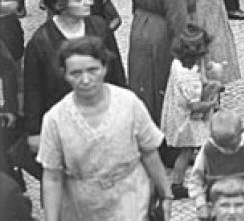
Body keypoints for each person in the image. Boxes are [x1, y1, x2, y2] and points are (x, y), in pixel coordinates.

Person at [37, 36, 174, 220]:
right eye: (76, 73)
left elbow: (149, 152)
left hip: (131, 199)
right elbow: (52, 176)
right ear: (65, 75)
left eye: (92, 70)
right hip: (82, 207)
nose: (86, 80)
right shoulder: (55, 119)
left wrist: (166, 193)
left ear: (104, 68)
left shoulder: (129, 103)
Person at [24, 0, 126, 157]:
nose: (88, 2)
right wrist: (34, 131)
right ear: (60, 6)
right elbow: (33, 88)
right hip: (66, 123)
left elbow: (116, 70)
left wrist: (123, 107)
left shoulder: (100, 27)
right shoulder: (41, 41)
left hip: (103, 114)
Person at [129, 0, 196, 125]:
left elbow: (134, 3)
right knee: (163, 83)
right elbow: (178, 23)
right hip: (162, 36)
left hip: (140, 29)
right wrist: (189, 58)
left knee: (143, 81)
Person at [161, 24, 224, 201]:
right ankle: (179, 184)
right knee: (188, 152)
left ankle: (183, 182)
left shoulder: (177, 64)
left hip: (177, 115)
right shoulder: (189, 78)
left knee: (189, 152)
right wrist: (212, 104)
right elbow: (195, 106)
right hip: (187, 122)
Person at [188, 109, 244, 221]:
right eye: (221, 146)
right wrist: (201, 205)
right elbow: (196, 179)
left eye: (231, 145)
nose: (226, 150)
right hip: (219, 213)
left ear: (241, 132)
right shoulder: (207, 151)